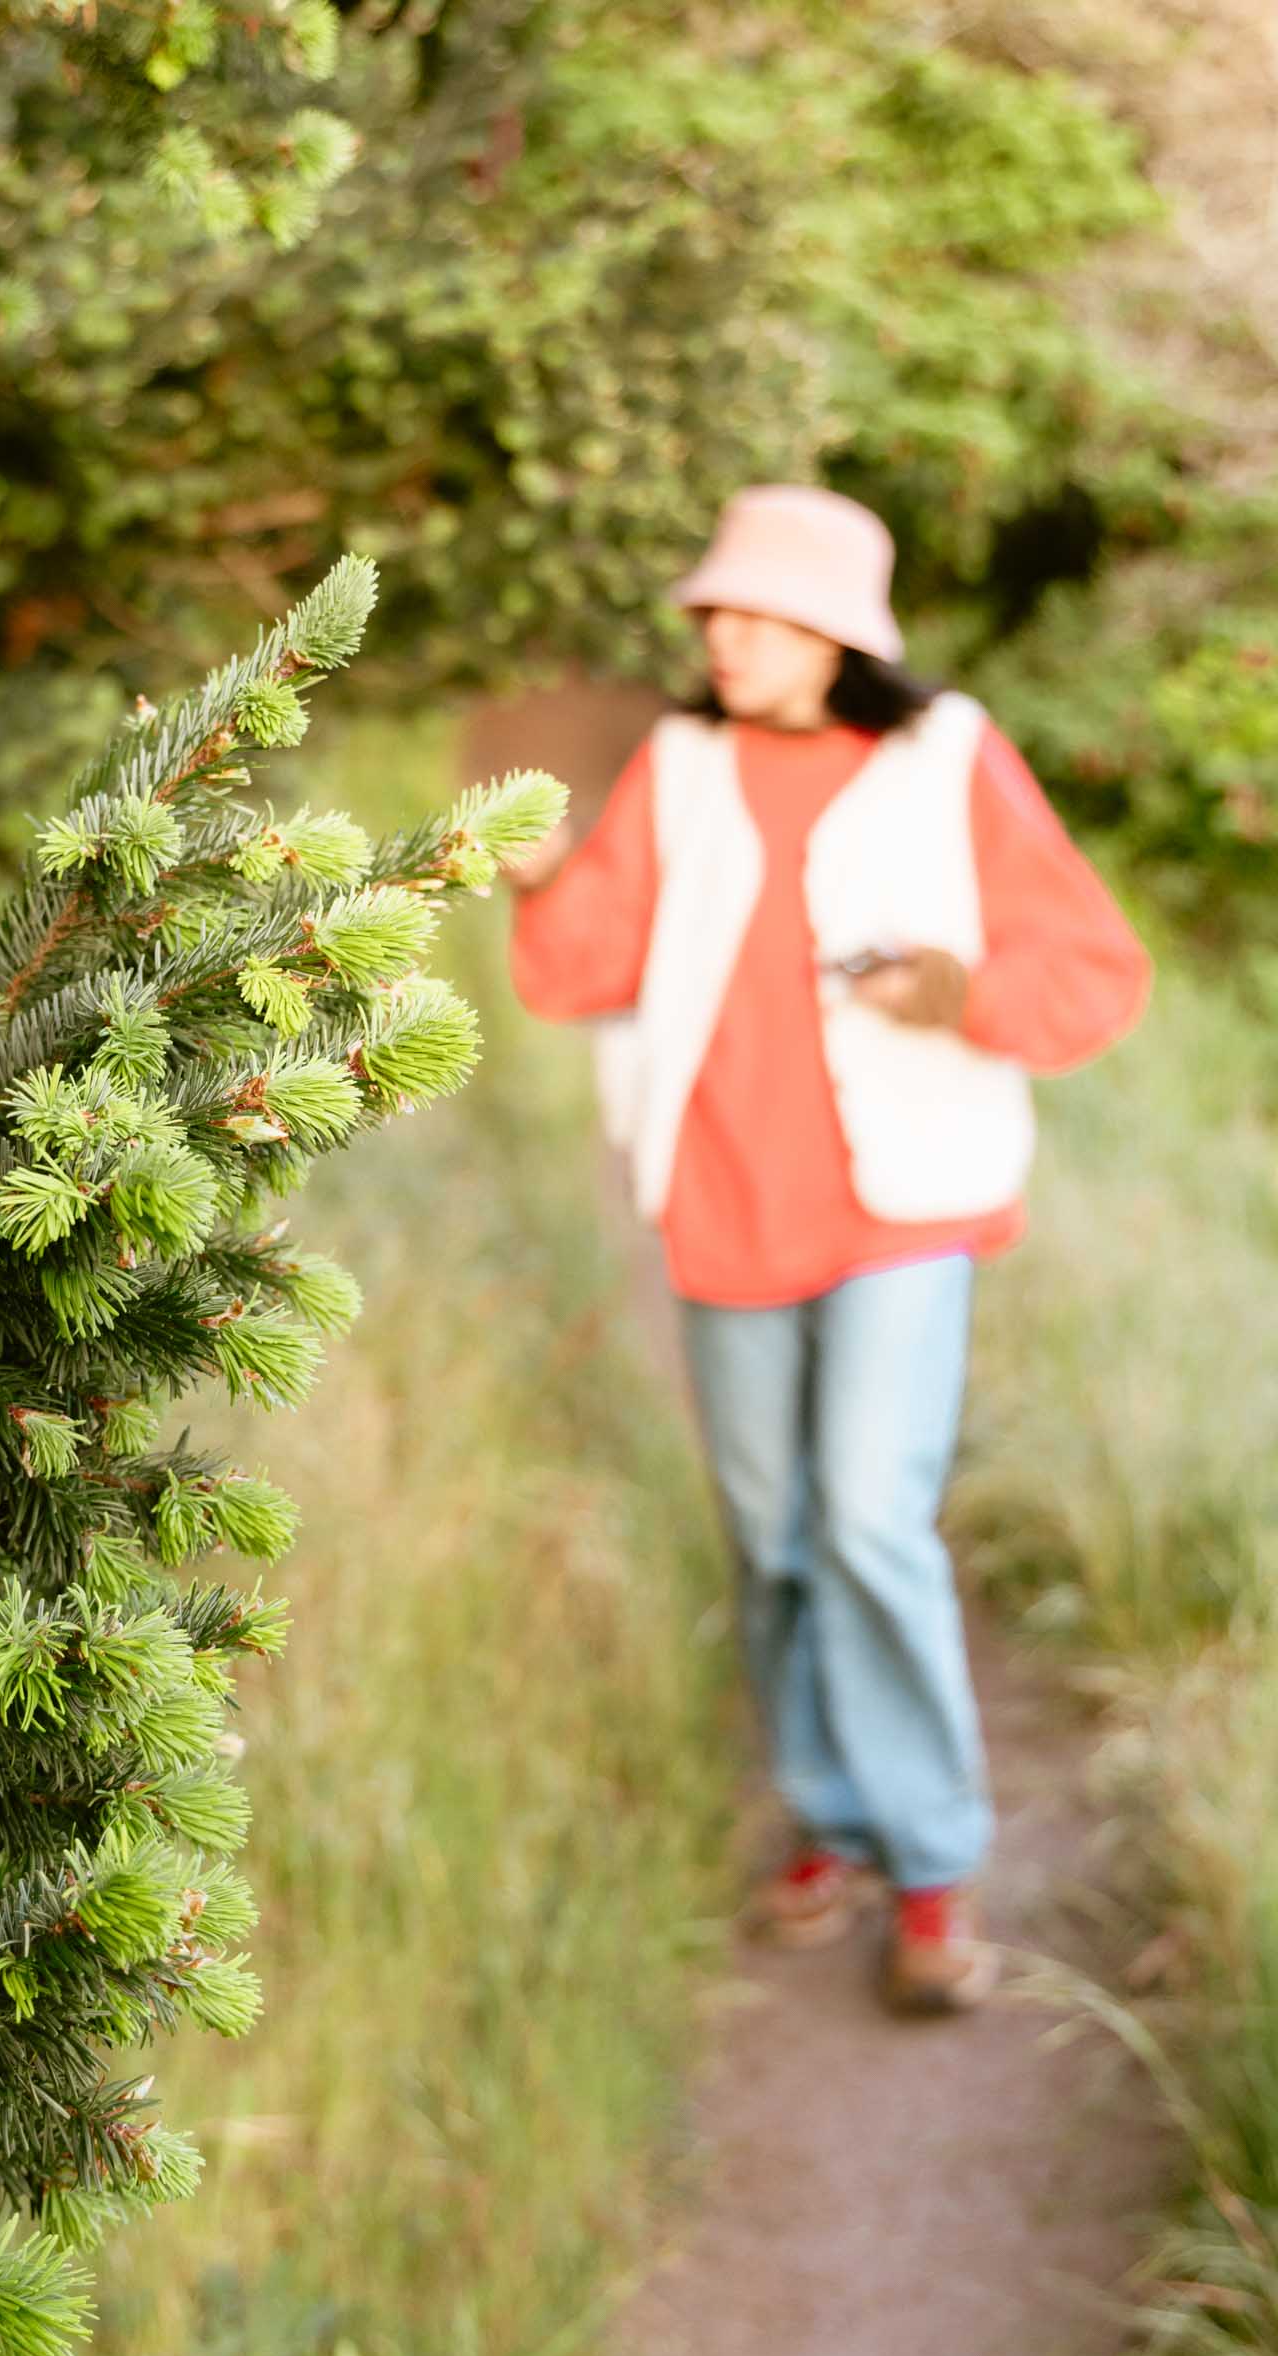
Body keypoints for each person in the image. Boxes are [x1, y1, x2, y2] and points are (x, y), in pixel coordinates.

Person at [504, 485, 1150, 2015]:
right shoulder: (683, 762)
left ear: (840, 631)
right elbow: (582, 965)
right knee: (776, 1535)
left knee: (869, 1519)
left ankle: (932, 1867)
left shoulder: (946, 753)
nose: (724, 637)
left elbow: (1092, 964)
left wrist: (961, 992)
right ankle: (830, 1815)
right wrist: (533, 872)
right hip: (723, 1190)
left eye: (760, 613)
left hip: (904, 1200)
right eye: (714, 612)